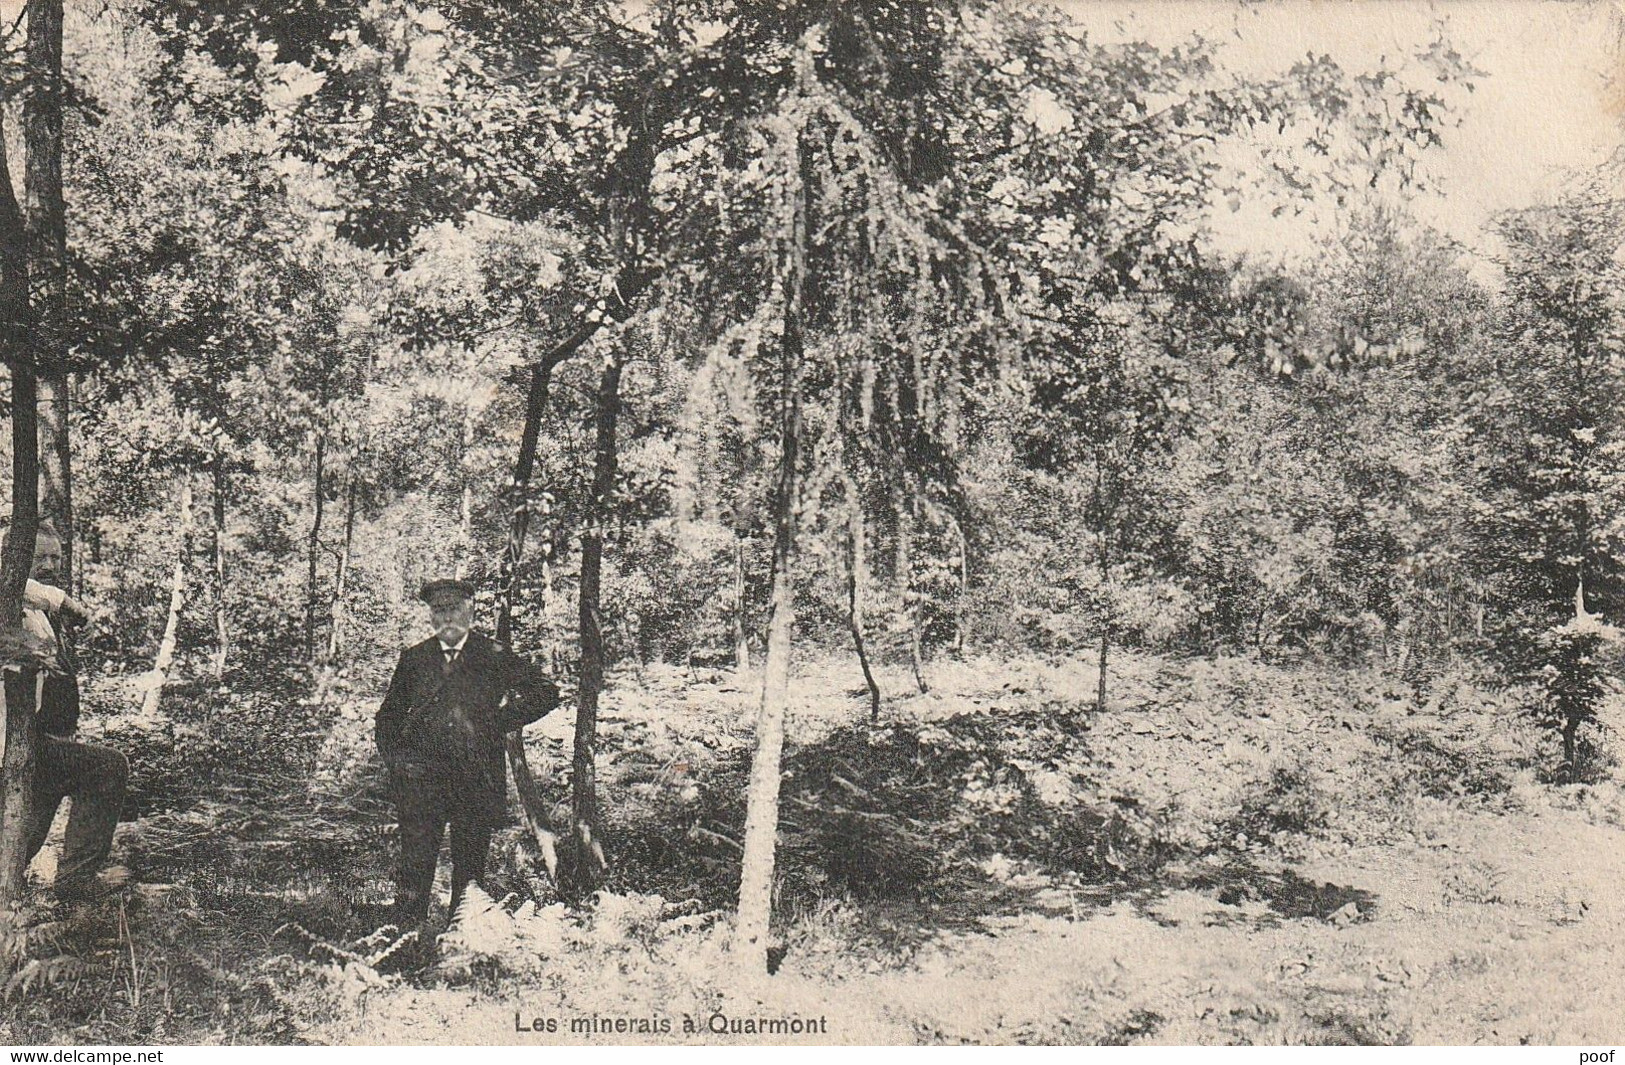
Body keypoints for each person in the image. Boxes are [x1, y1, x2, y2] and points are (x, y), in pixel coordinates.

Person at [376, 578, 560, 925]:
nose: (447, 617)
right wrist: (399, 762)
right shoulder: (414, 659)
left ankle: (462, 944)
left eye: (454, 608)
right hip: (422, 783)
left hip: (474, 780)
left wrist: (500, 721)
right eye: (439, 610)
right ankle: (402, 944)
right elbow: (387, 719)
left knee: (470, 873)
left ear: (470, 611)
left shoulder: (493, 655)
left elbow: (546, 692)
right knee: (414, 869)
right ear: (431, 615)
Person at [2, 521, 131, 903]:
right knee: (107, 767)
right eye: (37, 556)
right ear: (12, 559)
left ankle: (55, 898)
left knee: (25, 837)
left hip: (36, 743)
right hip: (10, 744)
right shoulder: (10, 597)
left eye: (55, 557)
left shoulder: (35, 609)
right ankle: (76, 885)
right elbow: (10, 584)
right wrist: (64, 602)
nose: (48, 565)